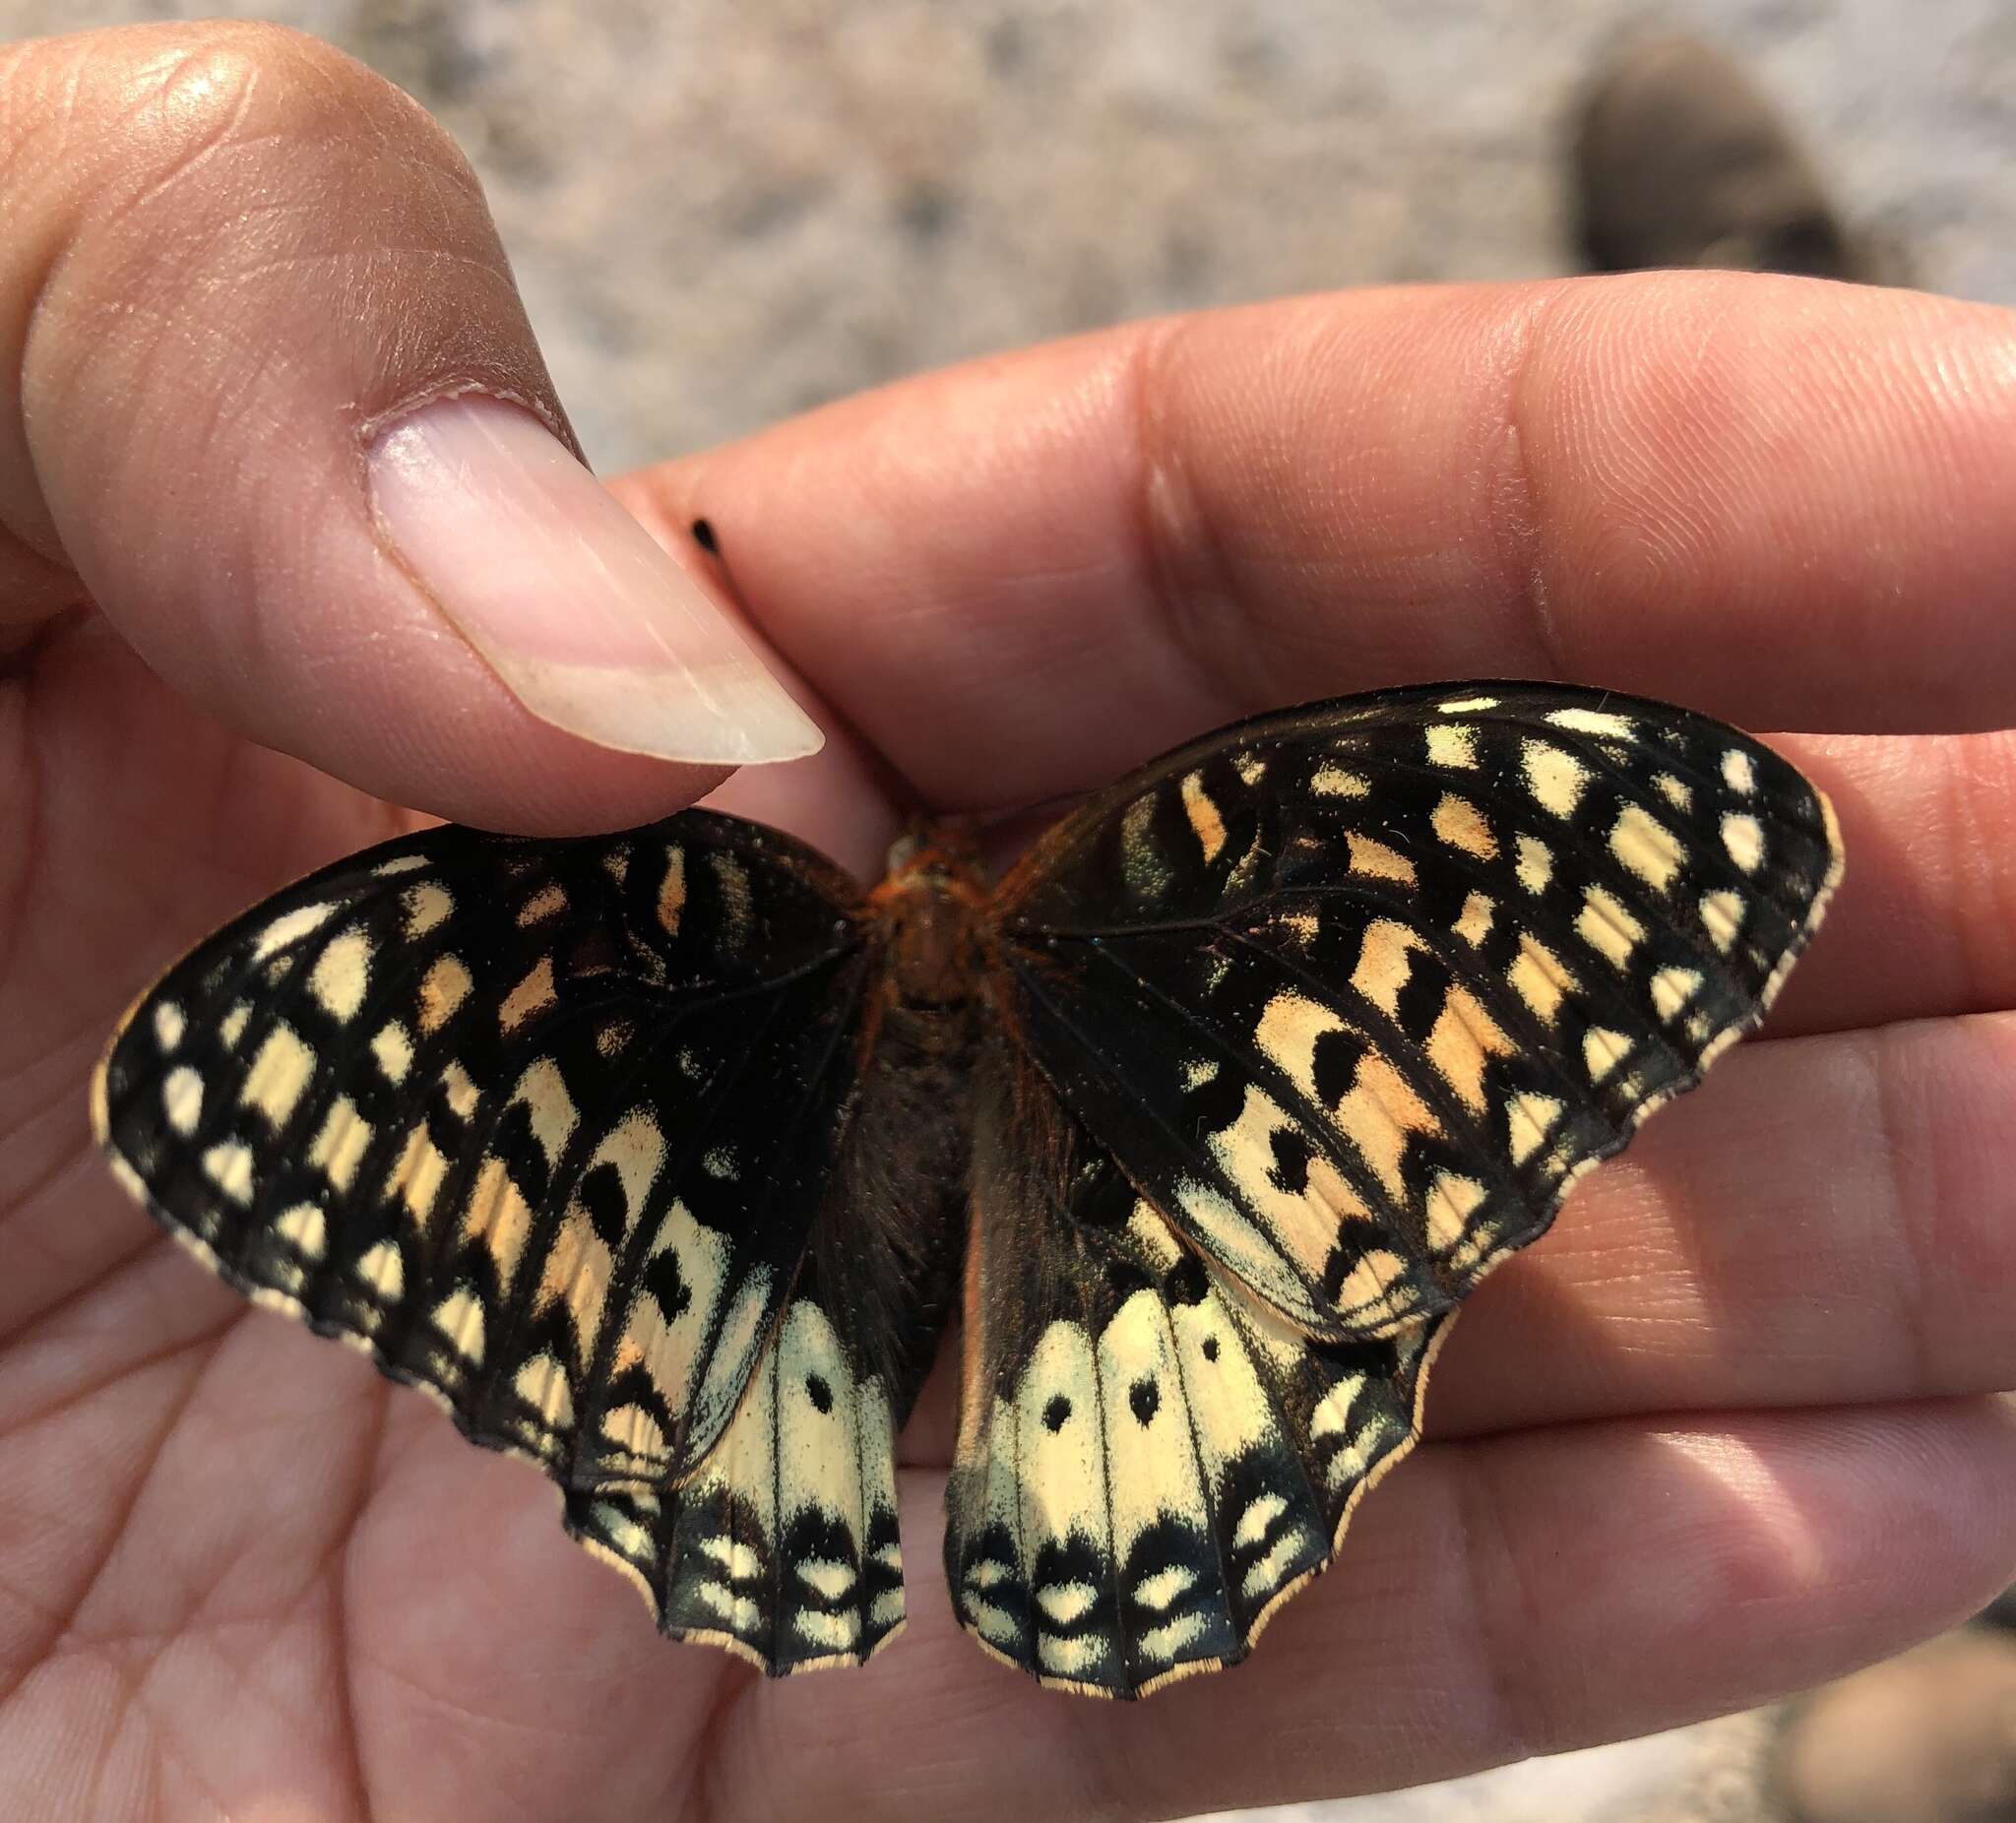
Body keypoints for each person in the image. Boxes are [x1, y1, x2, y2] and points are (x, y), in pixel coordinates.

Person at [2, 20, 2012, 1821]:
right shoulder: (1199, 861)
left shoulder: (670, 914)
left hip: (767, 1286)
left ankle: (1901, 1732)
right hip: (1151, 1268)